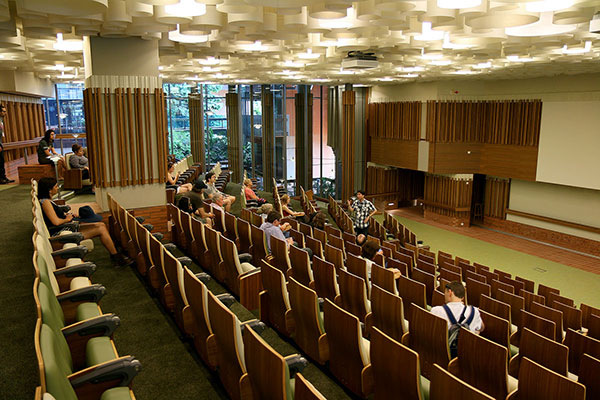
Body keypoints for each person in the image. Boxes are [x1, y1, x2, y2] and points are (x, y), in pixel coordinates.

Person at [37, 177, 131, 267]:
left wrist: (67, 215)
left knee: (101, 225)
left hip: (66, 227)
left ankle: (115, 253)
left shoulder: (48, 201)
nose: (57, 188)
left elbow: (56, 216)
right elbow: (56, 222)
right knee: (101, 229)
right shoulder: (46, 203)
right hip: (61, 232)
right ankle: (117, 258)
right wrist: (67, 219)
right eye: (56, 187)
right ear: (49, 190)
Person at [0, 104, 14, 184]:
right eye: (4, 111)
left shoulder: (1, 120)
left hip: (1, 143)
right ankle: (1, 178)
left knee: (2, 162)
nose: (5, 113)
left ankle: (3, 177)